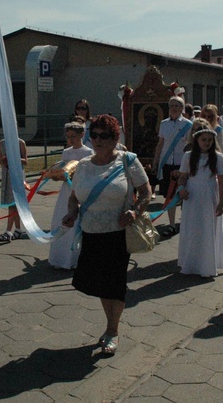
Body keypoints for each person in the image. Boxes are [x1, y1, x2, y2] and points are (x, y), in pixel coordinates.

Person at [62, 114, 151, 356]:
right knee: (101, 284)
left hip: (118, 233)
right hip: (91, 233)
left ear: (115, 138)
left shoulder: (127, 161)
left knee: (115, 283)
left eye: (105, 136)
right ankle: (110, 325)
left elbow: (145, 191)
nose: (98, 140)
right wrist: (71, 214)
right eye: (95, 135)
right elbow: (73, 198)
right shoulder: (83, 165)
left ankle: (113, 330)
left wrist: (135, 211)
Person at [172, 119, 223, 277]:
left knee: (208, 228)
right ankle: (191, 263)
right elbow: (182, 177)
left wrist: (221, 202)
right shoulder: (188, 156)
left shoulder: (217, 157)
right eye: (204, 140)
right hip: (193, 196)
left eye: (210, 140)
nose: (207, 143)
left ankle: (207, 264)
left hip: (210, 195)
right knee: (193, 228)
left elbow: (222, 181)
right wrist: (181, 188)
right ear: (196, 140)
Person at [49, 119, 93, 269]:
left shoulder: (88, 152)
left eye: (73, 136)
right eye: (68, 136)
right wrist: (56, 175)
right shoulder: (66, 152)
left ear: (82, 134)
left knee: (77, 222)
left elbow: (89, 172)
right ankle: (60, 258)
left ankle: (75, 259)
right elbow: (63, 170)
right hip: (67, 191)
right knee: (61, 220)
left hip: (80, 190)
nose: (70, 140)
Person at [151, 96, 192, 236]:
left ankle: (185, 222)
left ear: (182, 108)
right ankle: (172, 224)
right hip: (167, 164)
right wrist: (156, 163)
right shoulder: (164, 124)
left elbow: (190, 145)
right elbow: (160, 144)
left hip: (182, 165)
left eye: (177, 105)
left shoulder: (188, 124)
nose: (173, 108)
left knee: (183, 194)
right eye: (171, 106)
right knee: (169, 196)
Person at [0, 137, 28, 242]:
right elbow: (0, 159)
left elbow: (25, 161)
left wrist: (13, 159)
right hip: (7, 174)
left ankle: (8, 230)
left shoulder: (20, 142)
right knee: (12, 203)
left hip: (17, 175)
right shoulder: (1, 143)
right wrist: (3, 160)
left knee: (14, 203)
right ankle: (18, 229)